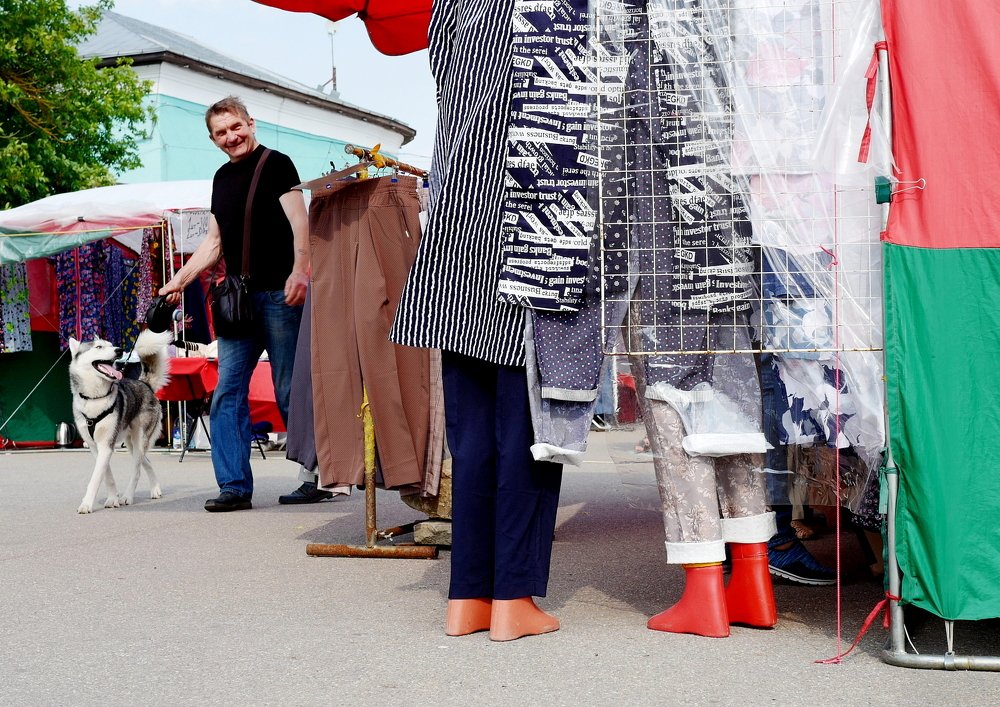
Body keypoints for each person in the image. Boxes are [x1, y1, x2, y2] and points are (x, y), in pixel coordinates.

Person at [160, 96, 308, 512]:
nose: (231, 137)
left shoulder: (277, 164)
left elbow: (301, 223)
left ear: (251, 124)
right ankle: (234, 486)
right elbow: (214, 242)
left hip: (280, 294)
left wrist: (300, 271)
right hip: (237, 302)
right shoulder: (221, 179)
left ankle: (315, 477)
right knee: (226, 391)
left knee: (289, 388)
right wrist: (178, 281)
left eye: (236, 127)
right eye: (221, 132)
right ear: (213, 139)